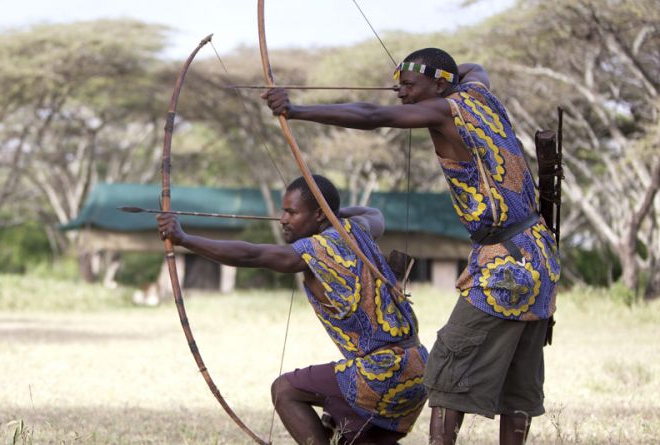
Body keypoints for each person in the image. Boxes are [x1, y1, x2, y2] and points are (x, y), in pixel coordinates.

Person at [263, 48, 561, 445]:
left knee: (444, 368)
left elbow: (374, 117)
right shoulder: (479, 93)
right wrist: (421, 73)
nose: (398, 92)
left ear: (439, 85)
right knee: (519, 384)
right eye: (397, 84)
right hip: (540, 255)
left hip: (504, 264)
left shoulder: (444, 109)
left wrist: (296, 109)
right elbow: (473, 68)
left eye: (407, 86)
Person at [157, 175, 427, 445]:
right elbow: (374, 213)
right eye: (283, 211)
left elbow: (251, 255)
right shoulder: (355, 228)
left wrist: (183, 239)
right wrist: (329, 213)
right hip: (418, 370)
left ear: (319, 214)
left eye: (292, 212)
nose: (283, 219)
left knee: (284, 390)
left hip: (382, 375)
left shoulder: (316, 249)